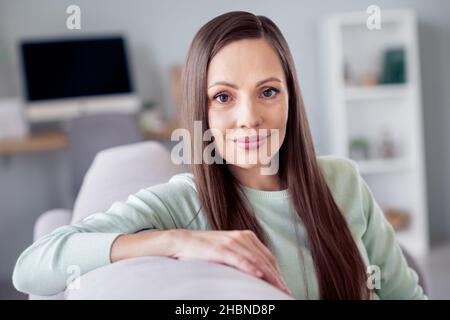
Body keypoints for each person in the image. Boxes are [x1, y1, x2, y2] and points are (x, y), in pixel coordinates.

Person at [12, 11, 426, 300]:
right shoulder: (184, 202)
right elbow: (33, 265)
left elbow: (405, 295)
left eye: (268, 92)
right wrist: (177, 241)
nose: (249, 118)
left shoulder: (343, 179)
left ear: (290, 100)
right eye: (223, 97)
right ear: (201, 110)